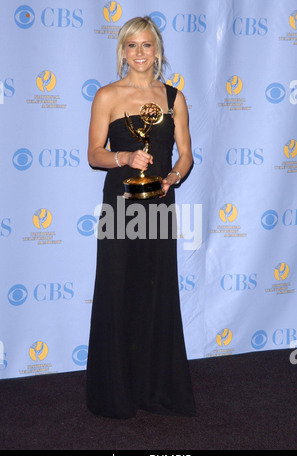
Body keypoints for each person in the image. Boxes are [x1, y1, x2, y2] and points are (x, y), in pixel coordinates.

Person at [86, 16, 196, 418]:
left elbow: (186, 154)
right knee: (118, 292)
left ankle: (157, 390)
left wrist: (172, 176)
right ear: (122, 51)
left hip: (159, 205)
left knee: (156, 292)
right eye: (131, 45)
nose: (139, 53)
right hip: (120, 206)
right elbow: (94, 154)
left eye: (146, 45)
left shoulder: (173, 98)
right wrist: (125, 157)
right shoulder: (107, 96)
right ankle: (116, 393)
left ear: (157, 51)